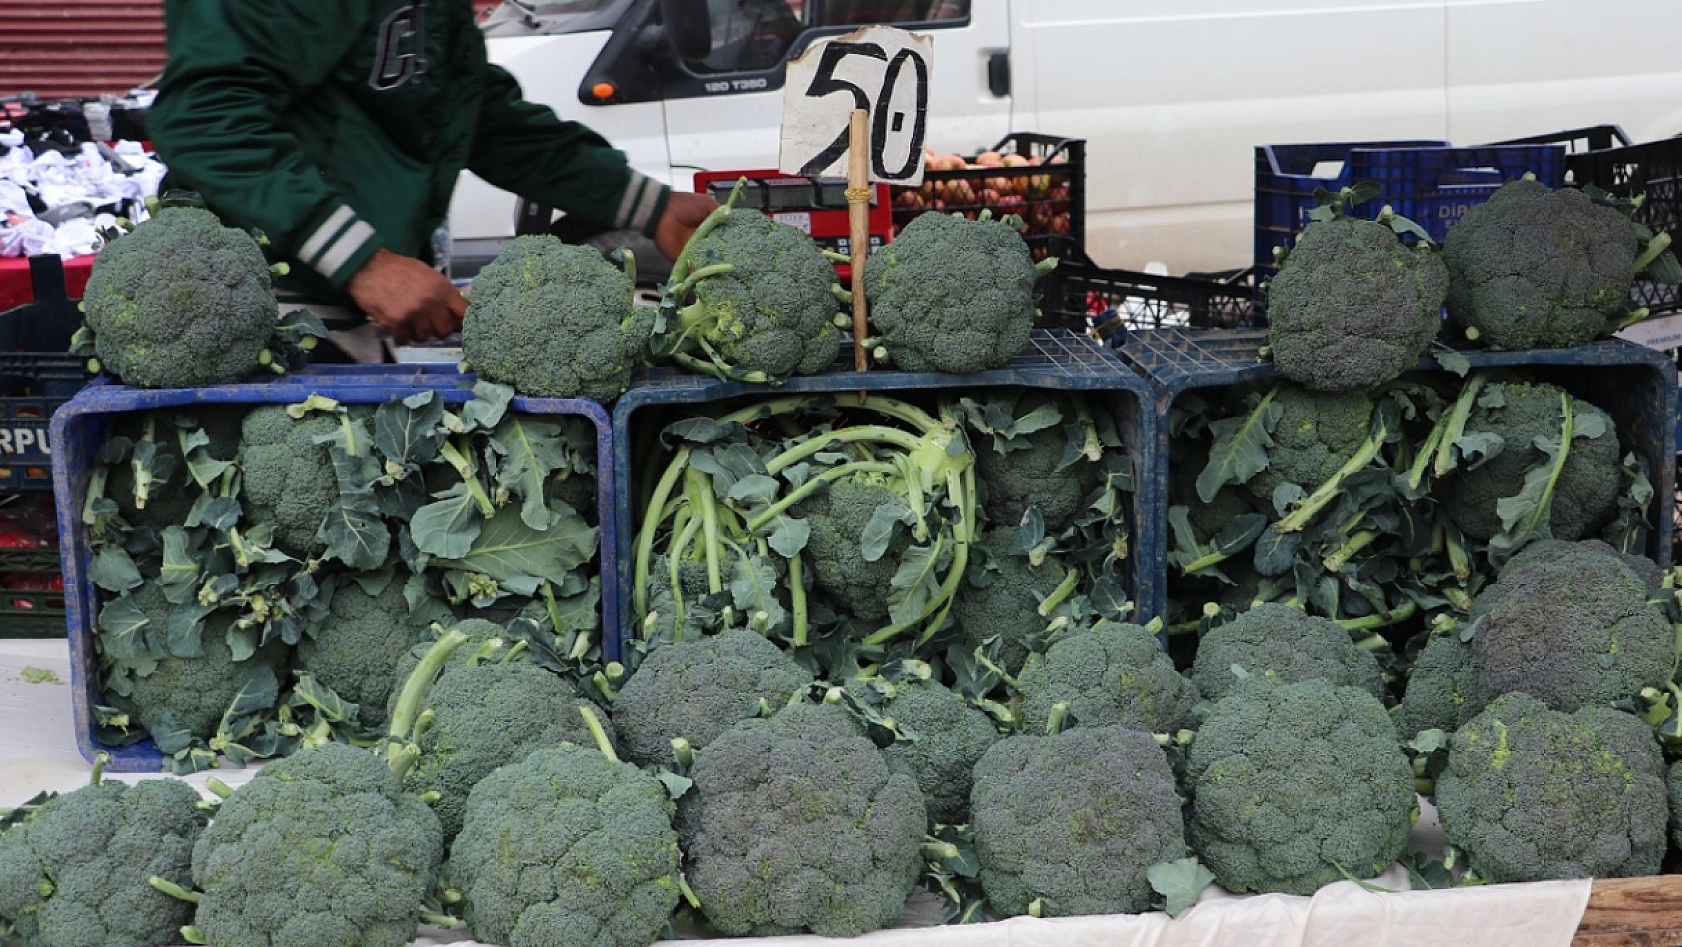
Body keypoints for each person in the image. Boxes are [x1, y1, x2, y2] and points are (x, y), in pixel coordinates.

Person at [147, 0, 718, 357]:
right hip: (248, 310)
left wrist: (653, 207)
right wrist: (365, 263)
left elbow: (479, 119)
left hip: (341, 320)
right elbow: (206, 116)